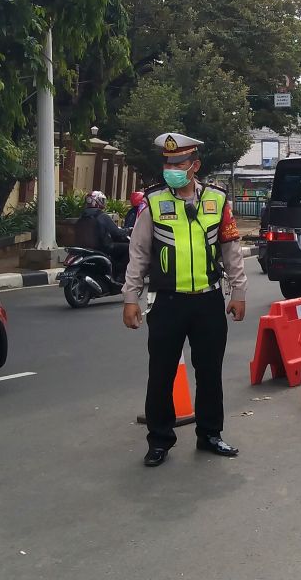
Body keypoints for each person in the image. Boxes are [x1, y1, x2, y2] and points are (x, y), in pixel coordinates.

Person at [122, 132, 247, 468]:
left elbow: (231, 251)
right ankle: (159, 440)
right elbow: (138, 254)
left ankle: (210, 434)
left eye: (178, 163)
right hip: (168, 303)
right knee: (160, 374)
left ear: (195, 166)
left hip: (208, 302)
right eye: (167, 162)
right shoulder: (153, 202)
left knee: (209, 373)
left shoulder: (218, 201)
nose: (171, 168)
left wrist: (239, 292)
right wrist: (130, 298)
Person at [74, 190, 131, 281]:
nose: (103, 203)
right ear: (96, 201)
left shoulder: (82, 215)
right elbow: (116, 232)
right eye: (102, 200)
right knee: (129, 248)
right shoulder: (101, 215)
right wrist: (128, 230)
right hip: (103, 247)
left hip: (85, 247)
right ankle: (121, 274)